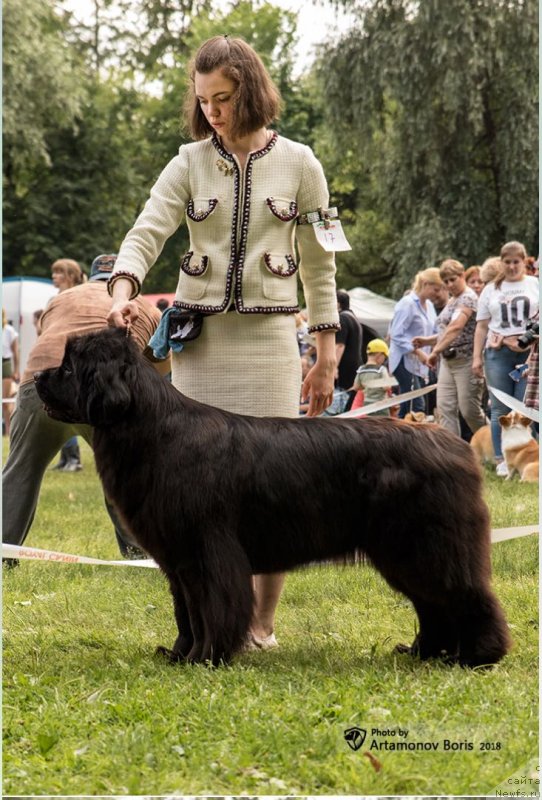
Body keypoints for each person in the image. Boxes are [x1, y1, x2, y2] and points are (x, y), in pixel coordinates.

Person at [106, 35, 339, 649]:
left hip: (269, 342)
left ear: (252, 92)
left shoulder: (302, 164)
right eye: (204, 99)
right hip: (200, 346)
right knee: (194, 491)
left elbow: (320, 267)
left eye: (225, 98)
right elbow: (146, 231)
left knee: (274, 488)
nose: (212, 110)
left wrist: (326, 354)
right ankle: (208, 622)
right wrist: (122, 288)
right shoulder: (186, 162)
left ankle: (260, 622)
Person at [2, 254, 170, 560]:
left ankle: (2, 548)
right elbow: (158, 368)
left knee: (20, 471)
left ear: (90, 277)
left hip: (41, 385)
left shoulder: (62, 298)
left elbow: (48, 339)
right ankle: (139, 555)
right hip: (98, 395)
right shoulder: (143, 306)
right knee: (122, 474)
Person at [472, 241, 539, 476]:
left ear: (524, 261)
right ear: (502, 263)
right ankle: (502, 458)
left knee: (525, 407)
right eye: (507, 262)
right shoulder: (491, 288)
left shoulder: (534, 284)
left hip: (528, 352)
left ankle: (530, 454)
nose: (512, 267)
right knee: (500, 407)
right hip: (497, 352)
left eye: (516, 262)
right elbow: (481, 326)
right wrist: (476, 358)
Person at [414, 260, 486, 438]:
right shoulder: (453, 300)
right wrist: (427, 341)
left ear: (462, 276)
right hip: (448, 362)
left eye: (453, 279)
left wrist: (435, 351)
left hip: (467, 361)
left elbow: (456, 327)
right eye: (445, 281)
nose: (449, 285)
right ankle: (451, 455)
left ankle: (496, 446)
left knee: (469, 411)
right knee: (445, 408)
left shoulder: (468, 298)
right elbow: (445, 332)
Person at [388, 267, 443, 418]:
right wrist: (417, 351)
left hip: (421, 363)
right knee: (417, 404)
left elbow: (434, 332)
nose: (438, 294)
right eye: (436, 289)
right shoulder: (407, 304)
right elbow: (396, 334)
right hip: (404, 360)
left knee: (409, 405)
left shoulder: (430, 306)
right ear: (425, 284)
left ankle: (399, 437)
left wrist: (433, 352)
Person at [49, 259, 87, 471]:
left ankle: (74, 459)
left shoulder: (75, 297)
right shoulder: (57, 297)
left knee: (69, 409)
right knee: (60, 411)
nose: (53, 276)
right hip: (56, 358)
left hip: (70, 363)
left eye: (58, 273)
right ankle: (66, 458)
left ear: (70, 275)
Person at [351, 338, 397, 416]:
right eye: (384, 357)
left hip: (367, 405)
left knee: (371, 423)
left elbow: (356, 387)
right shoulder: (381, 369)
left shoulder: (361, 370)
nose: (384, 360)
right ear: (379, 355)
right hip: (381, 405)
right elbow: (386, 387)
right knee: (384, 424)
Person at [335, 290, 363, 407]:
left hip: (345, 370)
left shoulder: (342, 318)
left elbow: (340, 345)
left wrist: (333, 367)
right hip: (356, 367)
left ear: (337, 303)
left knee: (340, 406)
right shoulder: (354, 318)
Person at [2, 309, 19, 437]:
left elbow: (15, 352)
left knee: (6, 402)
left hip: (5, 364)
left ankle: (9, 431)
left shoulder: (9, 330)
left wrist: (16, 370)